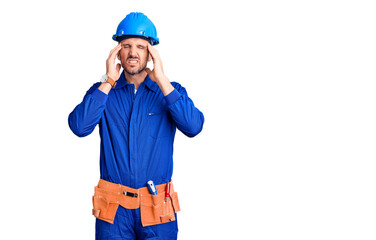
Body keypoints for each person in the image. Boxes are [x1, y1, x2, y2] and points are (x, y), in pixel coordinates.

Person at [68, 12, 205, 240]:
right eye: (126, 45)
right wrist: (108, 81)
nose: (133, 52)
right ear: (117, 52)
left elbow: (194, 126)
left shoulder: (170, 91)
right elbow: (79, 127)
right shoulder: (102, 92)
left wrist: (162, 79)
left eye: (141, 47)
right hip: (113, 213)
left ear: (150, 53)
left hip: (157, 211)